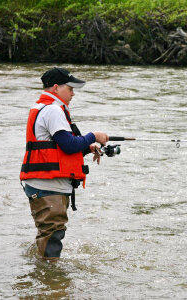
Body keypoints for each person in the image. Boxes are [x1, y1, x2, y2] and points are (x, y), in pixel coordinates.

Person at [20, 67, 108, 262]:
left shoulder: (44, 107)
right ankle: (50, 280)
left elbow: (57, 147)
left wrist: (88, 147)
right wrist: (94, 136)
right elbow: (68, 145)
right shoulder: (52, 110)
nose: (73, 93)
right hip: (48, 187)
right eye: (70, 88)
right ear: (56, 87)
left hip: (44, 184)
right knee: (52, 236)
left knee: (49, 234)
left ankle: (43, 275)